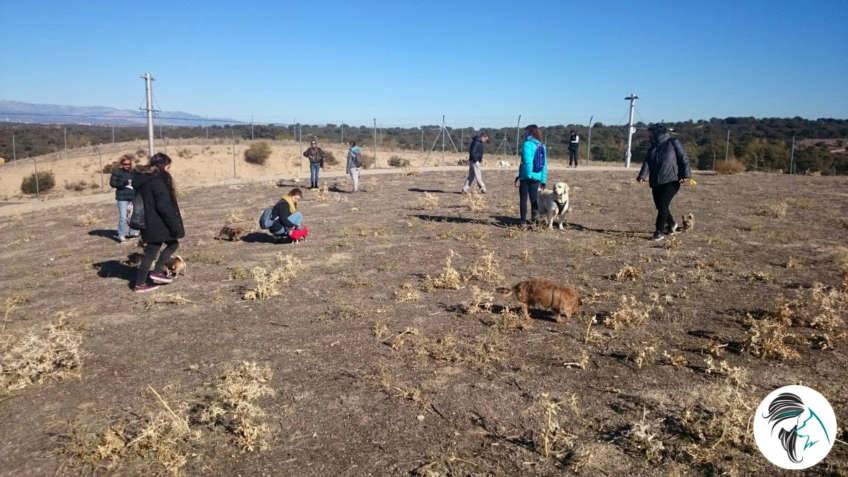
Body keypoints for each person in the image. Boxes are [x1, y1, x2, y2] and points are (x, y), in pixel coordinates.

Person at [131, 153, 185, 293]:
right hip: (157, 222)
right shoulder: (158, 181)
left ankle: (151, 275)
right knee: (162, 248)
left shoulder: (146, 179)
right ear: (163, 166)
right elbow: (164, 206)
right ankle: (146, 280)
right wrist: (175, 227)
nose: (169, 170)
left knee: (158, 248)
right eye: (168, 167)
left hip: (148, 222)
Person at [637, 124, 692, 241]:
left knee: (662, 204)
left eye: (650, 133)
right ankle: (672, 225)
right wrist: (642, 176)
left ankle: (659, 231)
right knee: (661, 206)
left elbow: (684, 158)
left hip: (672, 180)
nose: (648, 135)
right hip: (656, 182)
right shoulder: (652, 147)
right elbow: (647, 162)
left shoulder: (673, 142)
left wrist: (686, 175)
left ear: (657, 133)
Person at [515, 125, 547, 228]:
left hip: (526, 176)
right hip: (537, 176)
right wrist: (543, 180)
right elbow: (544, 164)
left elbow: (527, 161)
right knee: (534, 199)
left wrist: (527, 175)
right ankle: (534, 221)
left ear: (529, 133)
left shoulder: (527, 144)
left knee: (523, 200)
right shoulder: (542, 145)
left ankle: (523, 222)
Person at [109, 156, 140, 243]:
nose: (127, 166)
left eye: (129, 164)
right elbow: (112, 183)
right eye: (125, 164)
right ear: (121, 164)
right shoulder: (117, 172)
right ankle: (121, 235)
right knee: (123, 217)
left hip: (133, 196)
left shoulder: (134, 172)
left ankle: (133, 232)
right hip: (122, 197)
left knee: (133, 216)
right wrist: (123, 183)